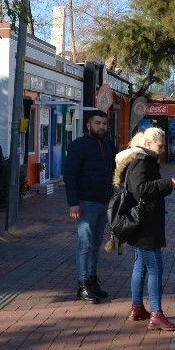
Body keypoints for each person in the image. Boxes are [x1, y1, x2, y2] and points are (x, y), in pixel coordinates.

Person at [113, 126, 175, 330]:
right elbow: (141, 189)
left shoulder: (145, 159)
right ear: (148, 144)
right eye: (160, 146)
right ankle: (156, 313)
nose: (162, 150)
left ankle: (137, 307)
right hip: (144, 223)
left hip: (143, 220)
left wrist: (166, 185)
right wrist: (167, 184)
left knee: (140, 264)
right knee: (155, 267)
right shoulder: (142, 161)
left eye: (163, 146)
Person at [64, 109, 116, 304]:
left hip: (104, 202)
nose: (101, 127)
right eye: (97, 123)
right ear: (88, 125)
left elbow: (114, 170)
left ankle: (93, 281)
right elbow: (70, 175)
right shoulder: (79, 146)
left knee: (95, 244)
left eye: (104, 123)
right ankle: (83, 284)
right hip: (85, 203)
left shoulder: (109, 145)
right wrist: (73, 203)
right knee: (85, 244)